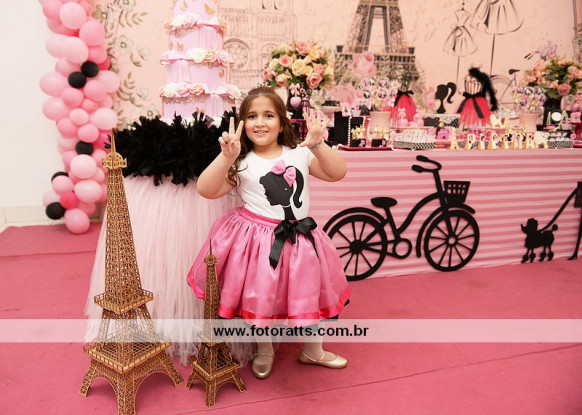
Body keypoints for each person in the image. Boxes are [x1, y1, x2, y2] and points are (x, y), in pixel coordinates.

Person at [187, 86, 351, 379]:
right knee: (262, 295)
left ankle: (313, 350)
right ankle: (264, 349)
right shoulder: (241, 161)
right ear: (242, 123)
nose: (260, 122)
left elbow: (336, 172)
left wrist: (317, 144)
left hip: (301, 240)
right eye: (252, 116)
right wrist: (226, 157)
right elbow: (206, 189)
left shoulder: (300, 153)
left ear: (282, 122)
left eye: (268, 115)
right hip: (259, 243)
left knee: (308, 293)